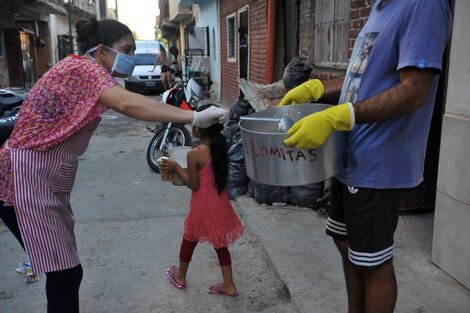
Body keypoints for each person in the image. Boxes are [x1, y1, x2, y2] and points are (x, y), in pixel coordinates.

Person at [0, 18, 227, 313]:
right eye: (127, 49)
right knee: (65, 272)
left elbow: (129, 100)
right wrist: (194, 117)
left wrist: (191, 114)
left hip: (43, 176)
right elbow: (127, 104)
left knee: (64, 269)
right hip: (24, 177)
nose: (132, 57)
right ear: (103, 51)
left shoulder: (88, 71)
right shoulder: (83, 69)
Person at [279, 1, 452, 312]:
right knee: (346, 245)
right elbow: (363, 75)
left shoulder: (422, 4)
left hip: (379, 161)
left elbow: (414, 91)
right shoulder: (380, 8)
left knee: (373, 262)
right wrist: (319, 88)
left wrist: (338, 116)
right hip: (350, 154)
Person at [161, 104, 244, 297]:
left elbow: (193, 184)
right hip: (220, 206)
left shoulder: (194, 154)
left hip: (202, 207)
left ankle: (180, 276)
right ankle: (229, 285)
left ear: (198, 129)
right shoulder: (220, 147)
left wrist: (175, 166)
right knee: (220, 245)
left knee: (188, 240)